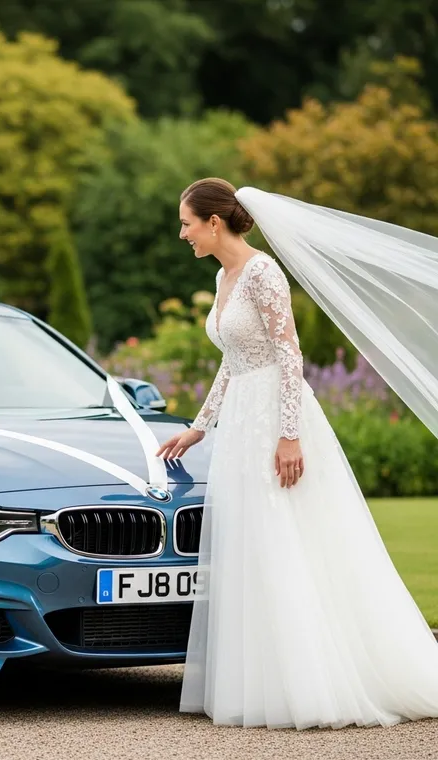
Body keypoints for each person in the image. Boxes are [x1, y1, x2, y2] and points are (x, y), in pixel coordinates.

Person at [156, 177, 438, 729]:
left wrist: (289, 435)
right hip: (240, 421)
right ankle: (265, 679)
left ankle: (315, 683)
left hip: (276, 418)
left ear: (214, 222)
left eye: (187, 222)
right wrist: (199, 427)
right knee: (253, 544)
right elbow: (232, 361)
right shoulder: (222, 275)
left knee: (292, 539)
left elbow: (289, 355)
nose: (182, 233)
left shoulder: (262, 272)